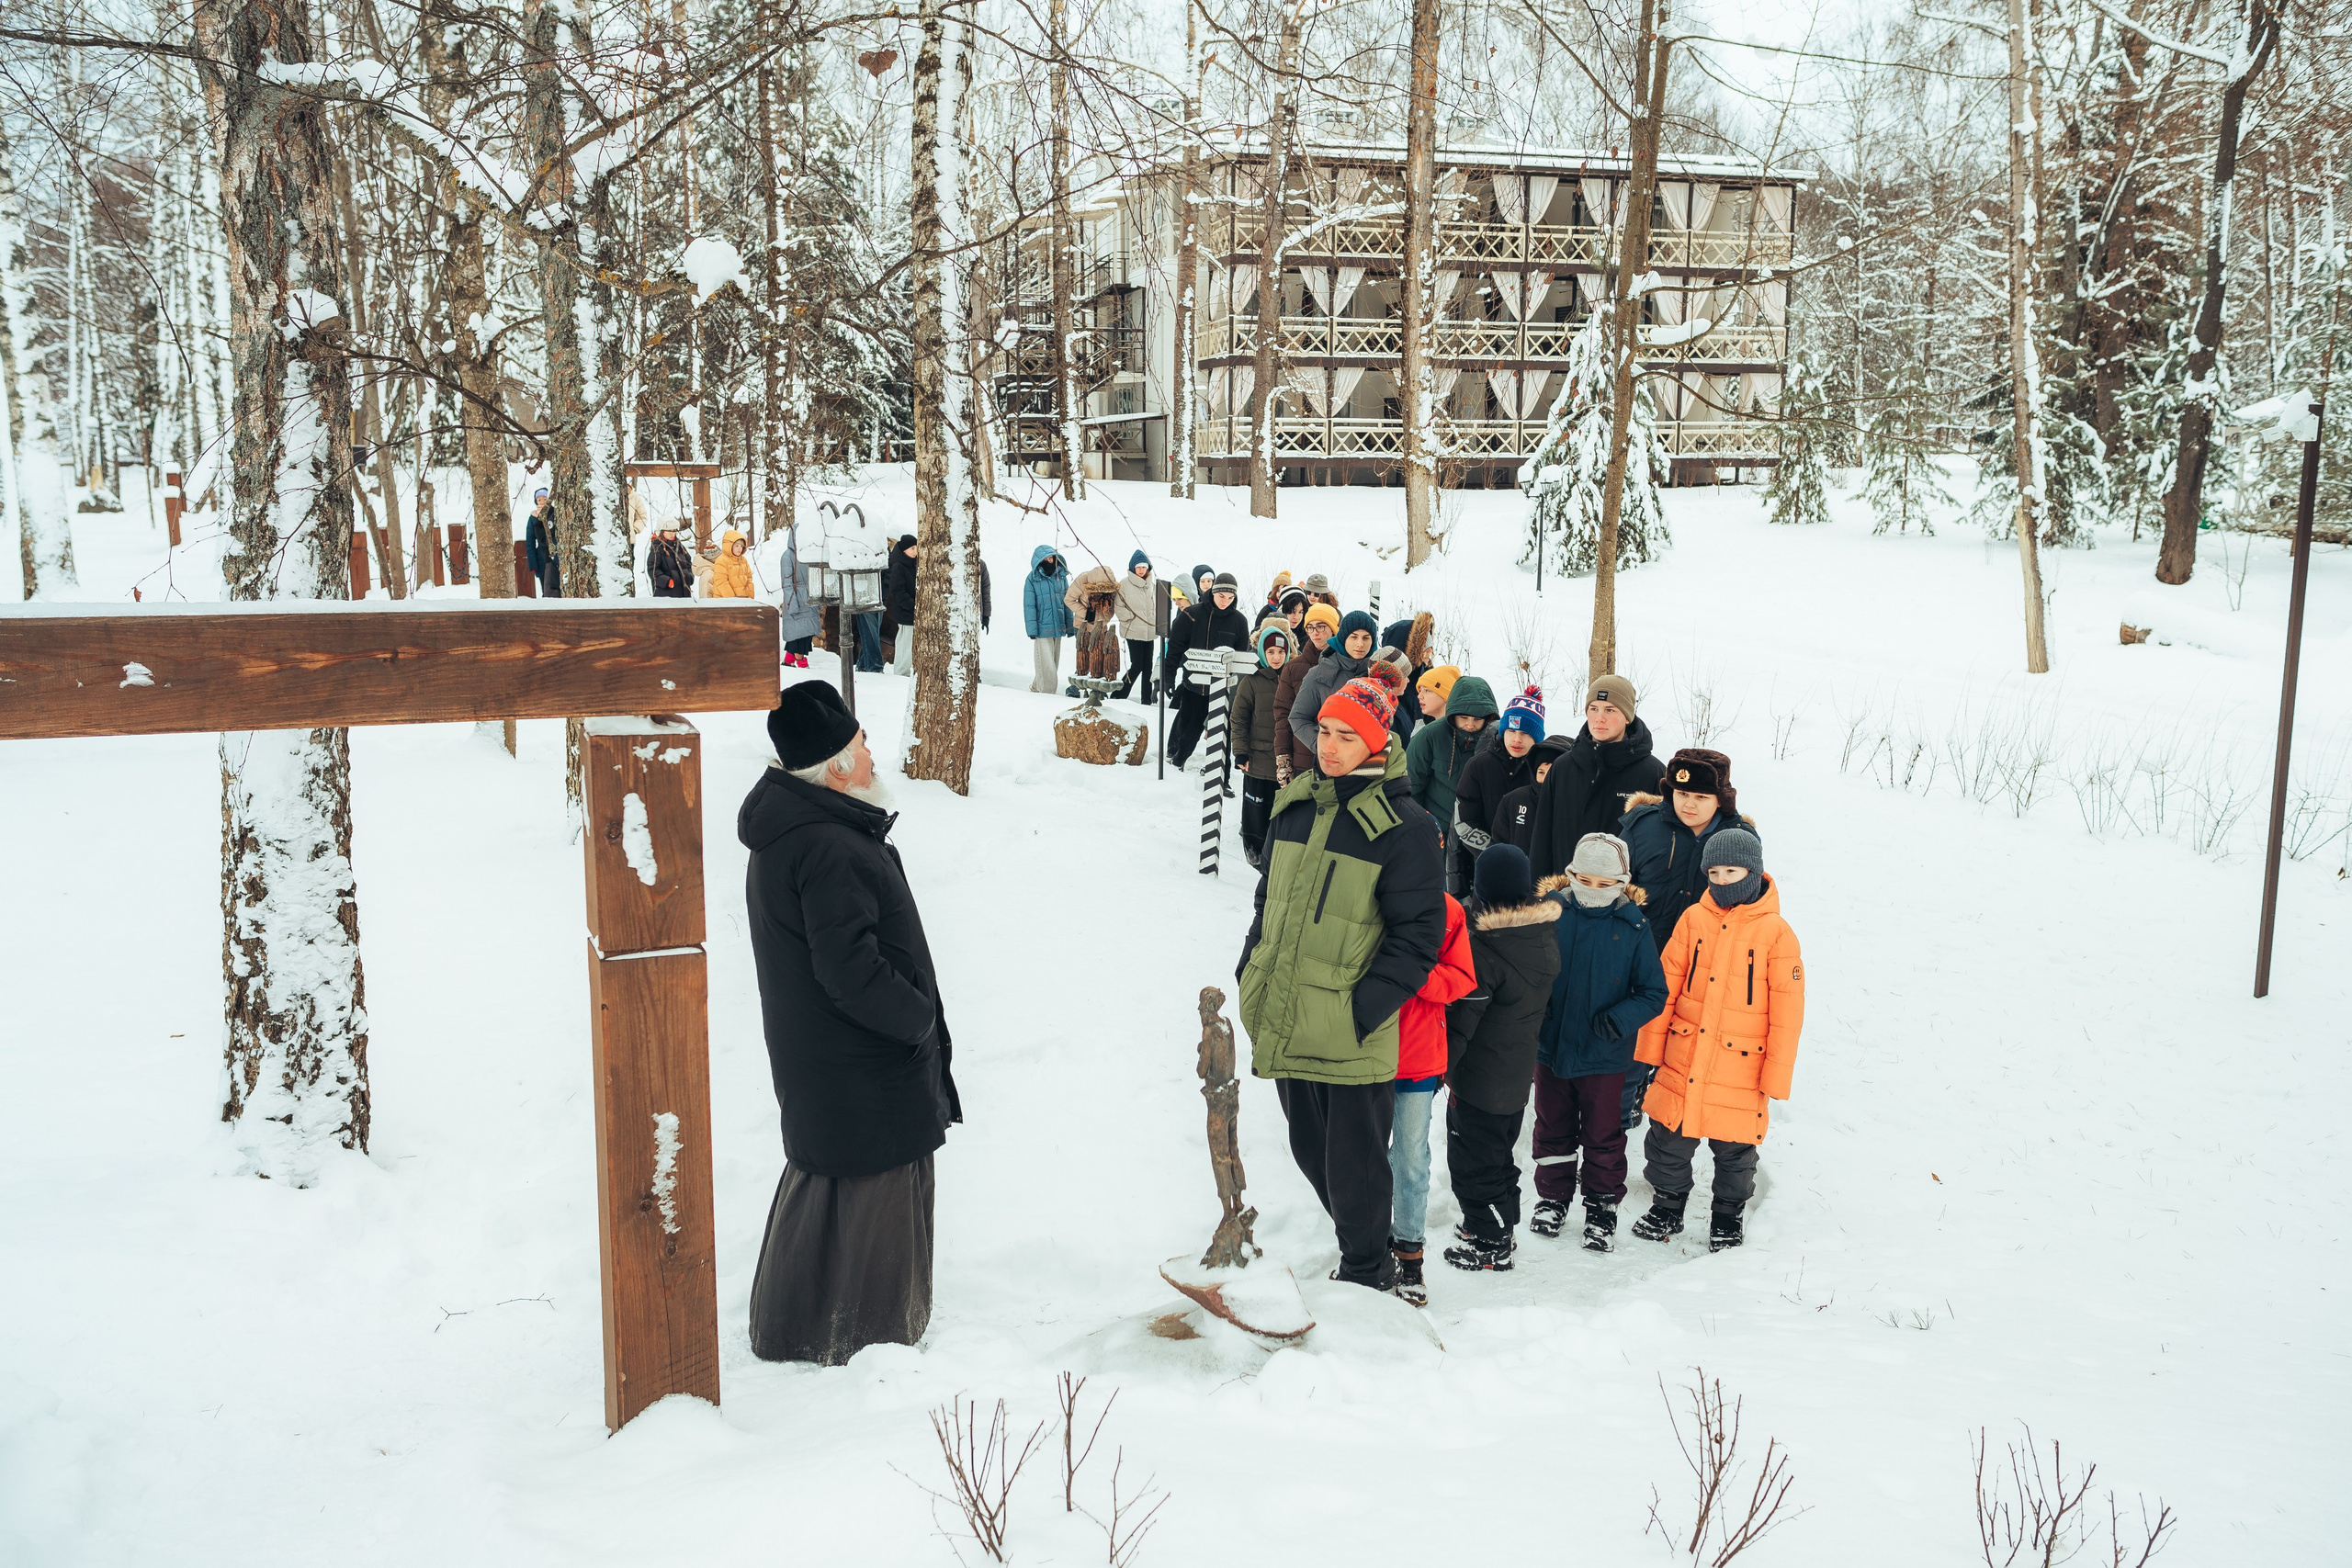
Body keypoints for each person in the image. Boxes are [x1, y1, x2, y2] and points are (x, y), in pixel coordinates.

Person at [740, 681, 962, 1364]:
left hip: (830, 1065)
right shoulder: (827, 842)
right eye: (861, 743)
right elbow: (850, 971)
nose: (871, 753)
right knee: (869, 1193)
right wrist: (917, 1017)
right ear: (836, 766)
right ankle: (868, 1339)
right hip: (864, 1065)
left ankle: (798, 1325)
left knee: (828, 1182)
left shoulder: (800, 829)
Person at [1238, 663, 1443, 1294]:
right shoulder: (1296, 805)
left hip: (1352, 1028)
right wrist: (1250, 969)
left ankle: (1367, 1272)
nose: (1328, 746)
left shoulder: (1407, 828)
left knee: (1354, 1165)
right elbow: (1266, 900)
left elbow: (1419, 938)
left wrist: (1362, 1010)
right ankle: (1369, 1245)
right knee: (1309, 1149)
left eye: (1345, 736)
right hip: (1288, 1013)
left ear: (1379, 741)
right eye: (1324, 730)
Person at [1630, 829, 1804, 1252]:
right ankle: (1667, 1206)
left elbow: (1787, 1013)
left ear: (1752, 871)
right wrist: (1650, 1051)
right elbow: (1666, 985)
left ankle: (1728, 1215)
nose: (1723, 880)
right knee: (1667, 1139)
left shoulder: (1777, 934)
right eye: (1714, 871)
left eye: (1732, 870)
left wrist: (1775, 1078)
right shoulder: (1693, 919)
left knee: (1736, 1151)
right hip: (1684, 1056)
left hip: (1741, 1066)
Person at [1528, 833, 1668, 1251]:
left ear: (1622, 882)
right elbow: (1528, 973)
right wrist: (1537, 1012)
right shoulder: (1548, 914)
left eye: (1605, 884)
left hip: (1605, 1055)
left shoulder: (1633, 926)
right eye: (1584, 880)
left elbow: (1652, 993)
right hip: (1551, 1048)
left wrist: (1618, 1020)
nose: (1593, 891)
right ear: (1569, 875)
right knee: (1551, 1126)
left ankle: (1602, 1205)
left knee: (1605, 1133)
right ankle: (1552, 1198)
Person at [1440, 844, 1563, 1272]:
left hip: (1479, 1082)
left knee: (1472, 1163)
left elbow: (1462, 1022)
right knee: (1497, 1155)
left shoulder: (1486, 951)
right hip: (1513, 1080)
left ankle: (1491, 1240)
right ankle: (1498, 1224)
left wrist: (1440, 1069)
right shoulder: (1540, 937)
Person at [1618, 749, 1756, 1129]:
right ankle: (1618, 1117)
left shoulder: (1739, 839)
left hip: (1704, 966)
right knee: (1633, 1042)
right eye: (1682, 794)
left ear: (1720, 799)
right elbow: (1613, 885)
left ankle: (1667, 1125)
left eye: (1701, 797)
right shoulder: (1641, 826)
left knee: (1683, 1046)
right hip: (1642, 956)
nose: (1689, 805)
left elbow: (1752, 907)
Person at [1387, 840, 1476, 1306]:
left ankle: (1409, 1253)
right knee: (1360, 1155)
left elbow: (1461, 978)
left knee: (1410, 1158)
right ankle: (1368, 1243)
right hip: (1363, 1051)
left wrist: (1414, 977)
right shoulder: (1370, 897)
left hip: (1418, 1057)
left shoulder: (1447, 911)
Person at [1528, 673, 1661, 882]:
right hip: (1565, 898)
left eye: (1610, 710)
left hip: (1621, 903)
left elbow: (1656, 849)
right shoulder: (1562, 768)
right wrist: (1541, 895)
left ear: (1628, 716)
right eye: (1593, 709)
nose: (1600, 718)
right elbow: (1542, 839)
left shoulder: (1653, 774)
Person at [1404, 674, 1497, 888]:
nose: (1471, 725)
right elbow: (1411, 787)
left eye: (1477, 719)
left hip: (1477, 833)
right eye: (1464, 718)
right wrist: (1422, 826)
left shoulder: (1494, 740)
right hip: (1437, 832)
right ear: (1453, 714)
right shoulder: (1429, 737)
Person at [1453, 686, 1544, 889]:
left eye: (1525, 733)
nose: (1517, 739)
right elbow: (1464, 820)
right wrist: (1496, 853)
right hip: (1489, 869)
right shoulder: (1479, 765)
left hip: (1537, 873)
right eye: (1511, 731)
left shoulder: (1545, 769)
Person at [1161, 570, 1250, 766]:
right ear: (1213, 592)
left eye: (1230, 597)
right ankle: (1174, 755)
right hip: (1193, 684)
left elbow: (1240, 657)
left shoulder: (1239, 621)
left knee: (1216, 731)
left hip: (1221, 687)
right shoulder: (1192, 615)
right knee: (1187, 723)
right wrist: (1167, 677)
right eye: (1221, 596)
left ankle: (1217, 775)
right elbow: (1174, 649)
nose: (1225, 601)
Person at [1228, 624, 1292, 868]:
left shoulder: (1292, 679)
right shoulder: (1251, 682)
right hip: (1256, 761)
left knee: (1280, 811)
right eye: (1271, 652)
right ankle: (1254, 850)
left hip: (1284, 761)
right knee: (1256, 811)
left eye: (1280, 652)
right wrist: (1240, 752)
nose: (1276, 657)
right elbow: (1239, 718)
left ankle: (1277, 855)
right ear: (1262, 653)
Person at [1285, 610, 1378, 768]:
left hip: (1369, 766)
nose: (1360, 644)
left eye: (1366, 638)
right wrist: (1323, 747)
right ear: (1343, 639)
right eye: (1354, 637)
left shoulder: (1378, 675)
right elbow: (1298, 718)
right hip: (1330, 765)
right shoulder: (1319, 674)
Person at [1272, 603, 1338, 783]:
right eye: (1310, 627)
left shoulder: (1346, 665)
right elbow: (1283, 714)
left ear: (1334, 628)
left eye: (1321, 626)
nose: (1315, 632)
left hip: (1339, 759)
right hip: (1303, 760)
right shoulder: (1293, 668)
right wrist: (1283, 758)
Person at [1494, 735, 1570, 857]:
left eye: (1552, 772)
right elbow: (1500, 842)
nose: (1546, 778)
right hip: (1520, 873)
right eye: (1541, 772)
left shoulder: (1575, 802)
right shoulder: (1513, 800)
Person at [1023, 545, 1075, 694]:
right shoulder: (1033, 578)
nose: (1049, 560)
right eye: (1046, 558)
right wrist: (1032, 630)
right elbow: (1029, 605)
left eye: (1051, 557)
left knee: (1052, 664)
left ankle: (1035, 689)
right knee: (1046, 666)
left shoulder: (1061, 577)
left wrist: (1069, 625)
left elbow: (1067, 602)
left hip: (1058, 626)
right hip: (1042, 628)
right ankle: (1047, 695)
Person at [1112, 551, 1158, 702]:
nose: (1141, 570)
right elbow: (1119, 606)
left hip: (1149, 631)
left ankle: (1146, 700)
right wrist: (1130, 618)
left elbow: (1157, 606)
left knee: (1148, 667)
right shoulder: (1124, 584)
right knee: (1137, 665)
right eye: (1138, 567)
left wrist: (1155, 620)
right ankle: (1119, 694)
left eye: (1144, 567)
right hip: (1133, 630)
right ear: (1133, 568)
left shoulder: (1152, 585)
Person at [773, 527, 821, 668]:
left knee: (806, 632)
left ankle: (789, 658)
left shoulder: (808, 555)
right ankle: (801, 660)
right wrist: (791, 603)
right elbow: (787, 583)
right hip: (796, 598)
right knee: (797, 631)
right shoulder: (787, 556)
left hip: (809, 598)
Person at [886, 536, 921, 674]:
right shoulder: (899, 566)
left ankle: (903, 670)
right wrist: (912, 605)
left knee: (907, 643)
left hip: (910, 611)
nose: (915, 551)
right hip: (905, 612)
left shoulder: (911, 564)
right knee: (905, 643)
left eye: (916, 548)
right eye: (912, 548)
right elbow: (897, 591)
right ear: (904, 550)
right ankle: (901, 672)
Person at [524, 487, 561, 597]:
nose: (542, 502)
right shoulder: (533, 518)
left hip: (556, 554)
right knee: (546, 588)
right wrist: (533, 563)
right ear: (536, 501)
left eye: (544, 499)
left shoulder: (554, 513)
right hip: (541, 557)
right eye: (539, 499)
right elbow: (530, 541)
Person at [648, 522, 695, 598]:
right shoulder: (657, 548)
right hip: (666, 593)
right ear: (662, 532)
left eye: (674, 531)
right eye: (669, 531)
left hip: (684, 593)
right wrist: (666, 581)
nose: (672, 534)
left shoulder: (679, 546)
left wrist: (689, 577)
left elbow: (688, 563)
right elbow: (652, 569)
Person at [708, 527, 755, 599]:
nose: (740, 549)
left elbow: (749, 579)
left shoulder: (743, 560)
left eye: (741, 546)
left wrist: (750, 597)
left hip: (744, 601)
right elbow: (721, 582)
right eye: (737, 546)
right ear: (729, 546)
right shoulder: (721, 560)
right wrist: (732, 600)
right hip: (726, 602)